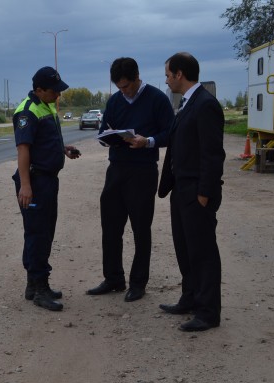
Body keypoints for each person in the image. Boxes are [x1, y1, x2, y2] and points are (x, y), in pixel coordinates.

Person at [86, 57, 175, 302]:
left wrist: (148, 141)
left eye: (126, 86)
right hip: (116, 169)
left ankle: (138, 283)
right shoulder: (114, 101)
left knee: (140, 228)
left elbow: (171, 132)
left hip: (143, 170)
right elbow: (105, 128)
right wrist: (107, 137)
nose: (123, 90)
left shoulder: (157, 99)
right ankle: (113, 278)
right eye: (119, 87)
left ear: (137, 78)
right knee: (111, 226)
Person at [158, 52, 225, 332]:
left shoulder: (205, 105)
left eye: (167, 74)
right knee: (185, 249)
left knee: (203, 253)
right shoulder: (187, 104)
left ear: (179, 74)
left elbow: (212, 154)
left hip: (197, 191)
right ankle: (189, 298)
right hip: (181, 188)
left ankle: (207, 312)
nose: (166, 79)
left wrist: (204, 193)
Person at [12, 66, 81, 311]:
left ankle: (35, 284)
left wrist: (63, 149)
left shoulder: (46, 106)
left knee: (45, 232)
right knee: (37, 234)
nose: (58, 95)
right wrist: (26, 186)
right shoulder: (26, 112)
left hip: (48, 180)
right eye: (54, 91)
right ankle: (39, 288)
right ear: (39, 90)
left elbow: (44, 140)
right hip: (35, 182)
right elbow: (24, 150)